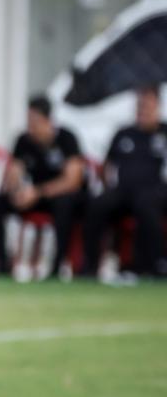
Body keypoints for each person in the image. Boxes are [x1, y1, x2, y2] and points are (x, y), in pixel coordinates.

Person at [0, 96, 86, 278]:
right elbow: (14, 172)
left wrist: (38, 192)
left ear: (48, 120)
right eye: (28, 120)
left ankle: (57, 268)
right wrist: (16, 189)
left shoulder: (66, 139)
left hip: (56, 195)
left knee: (65, 205)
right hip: (32, 195)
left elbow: (72, 181)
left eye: (35, 120)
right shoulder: (23, 140)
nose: (30, 125)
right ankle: (2, 265)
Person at [82, 87, 167, 278]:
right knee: (97, 204)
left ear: (158, 106)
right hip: (124, 190)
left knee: (146, 205)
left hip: (155, 191)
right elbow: (106, 165)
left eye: (147, 104)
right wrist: (107, 186)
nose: (142, 109)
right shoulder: (124, 133)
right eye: (140, 105)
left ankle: (155, 264)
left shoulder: (164, 133)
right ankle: (90, 265)